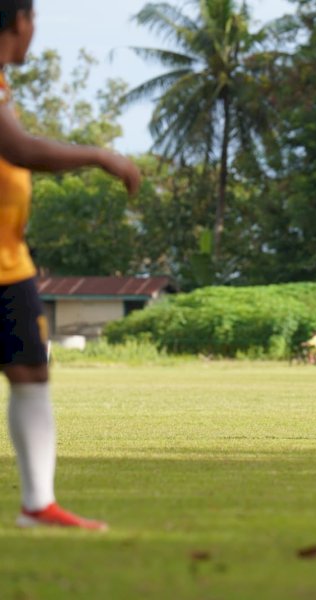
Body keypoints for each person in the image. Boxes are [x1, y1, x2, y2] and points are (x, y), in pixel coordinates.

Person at [0, 0, 140, 529]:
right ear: (21, 22)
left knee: (32, 371)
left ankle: (38, 504)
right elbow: (18, 148)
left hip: (9, 260)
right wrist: (100, 156)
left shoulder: (3, 84)